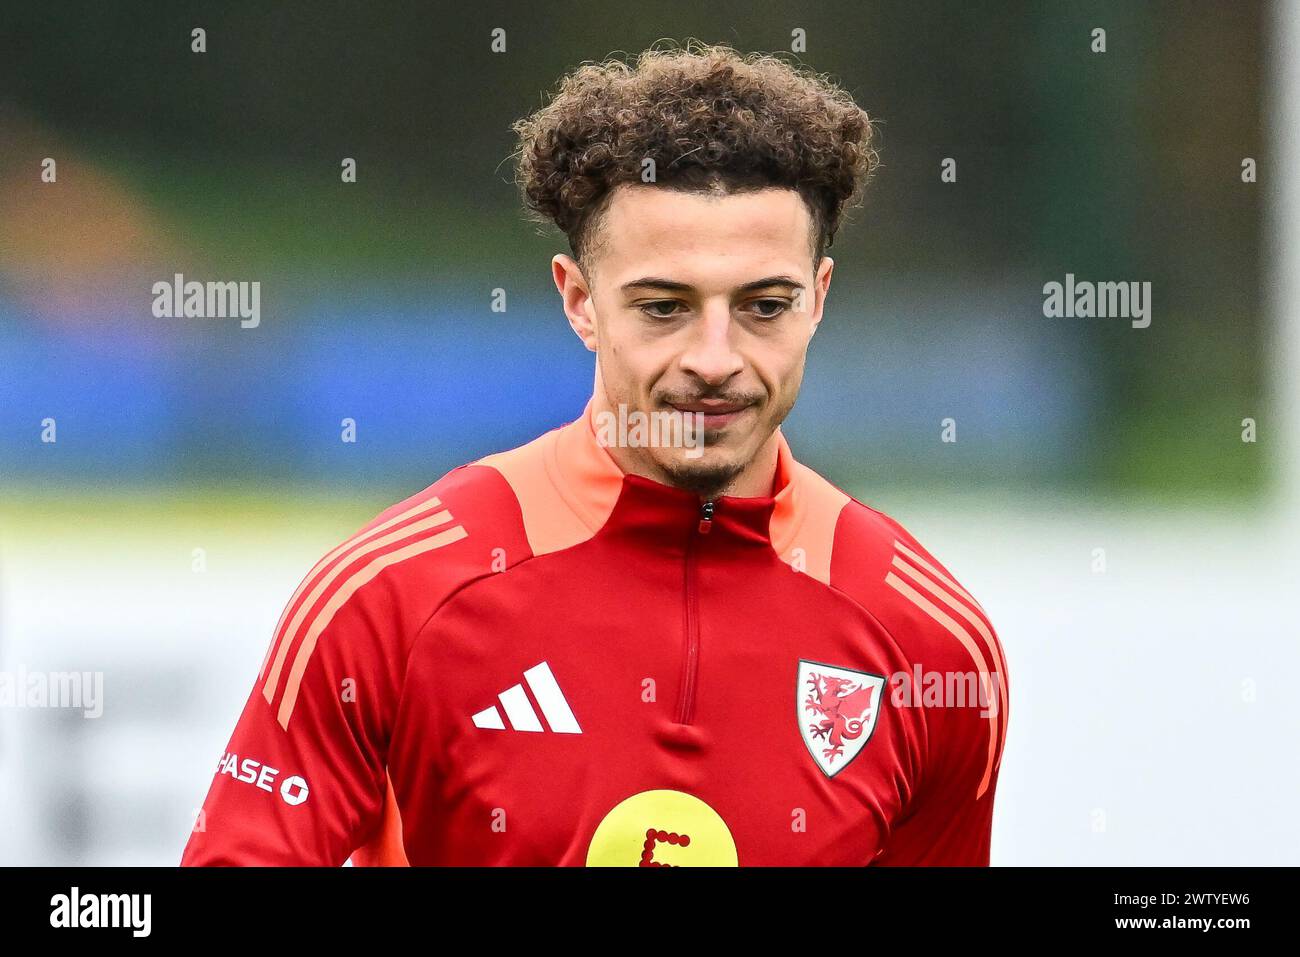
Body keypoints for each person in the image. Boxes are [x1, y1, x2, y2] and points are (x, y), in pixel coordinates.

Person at [182, 41, 1008, 867]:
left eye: (763, 305)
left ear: (818, 299)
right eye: (663, 306)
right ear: (579, 302)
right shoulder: (392, 598)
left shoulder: (930, 643)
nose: (715, 358)